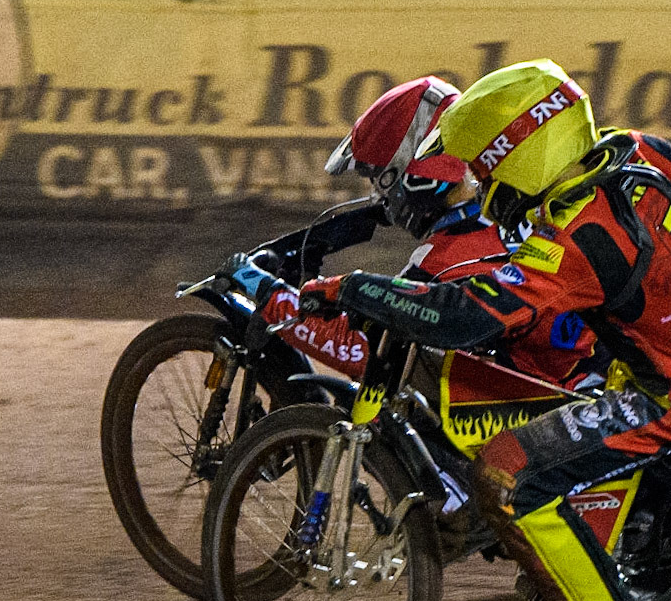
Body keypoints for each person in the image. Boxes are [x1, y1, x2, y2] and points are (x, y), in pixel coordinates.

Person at [300, 59, 671, 601]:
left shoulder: (575, 236)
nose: (482, 183)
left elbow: (467, 318)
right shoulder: (641, 152)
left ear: (518, 156)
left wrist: (356, 288)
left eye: (486, 167)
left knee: (505, 473)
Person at [241, 75, 596, 387]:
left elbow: (361, 350)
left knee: (393, 406)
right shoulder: (523, 208)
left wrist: (270, 296)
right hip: (585, 376)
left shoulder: (445, 256)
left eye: (381, 180)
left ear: (415, 177)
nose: (380, 196)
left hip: (541, 402)